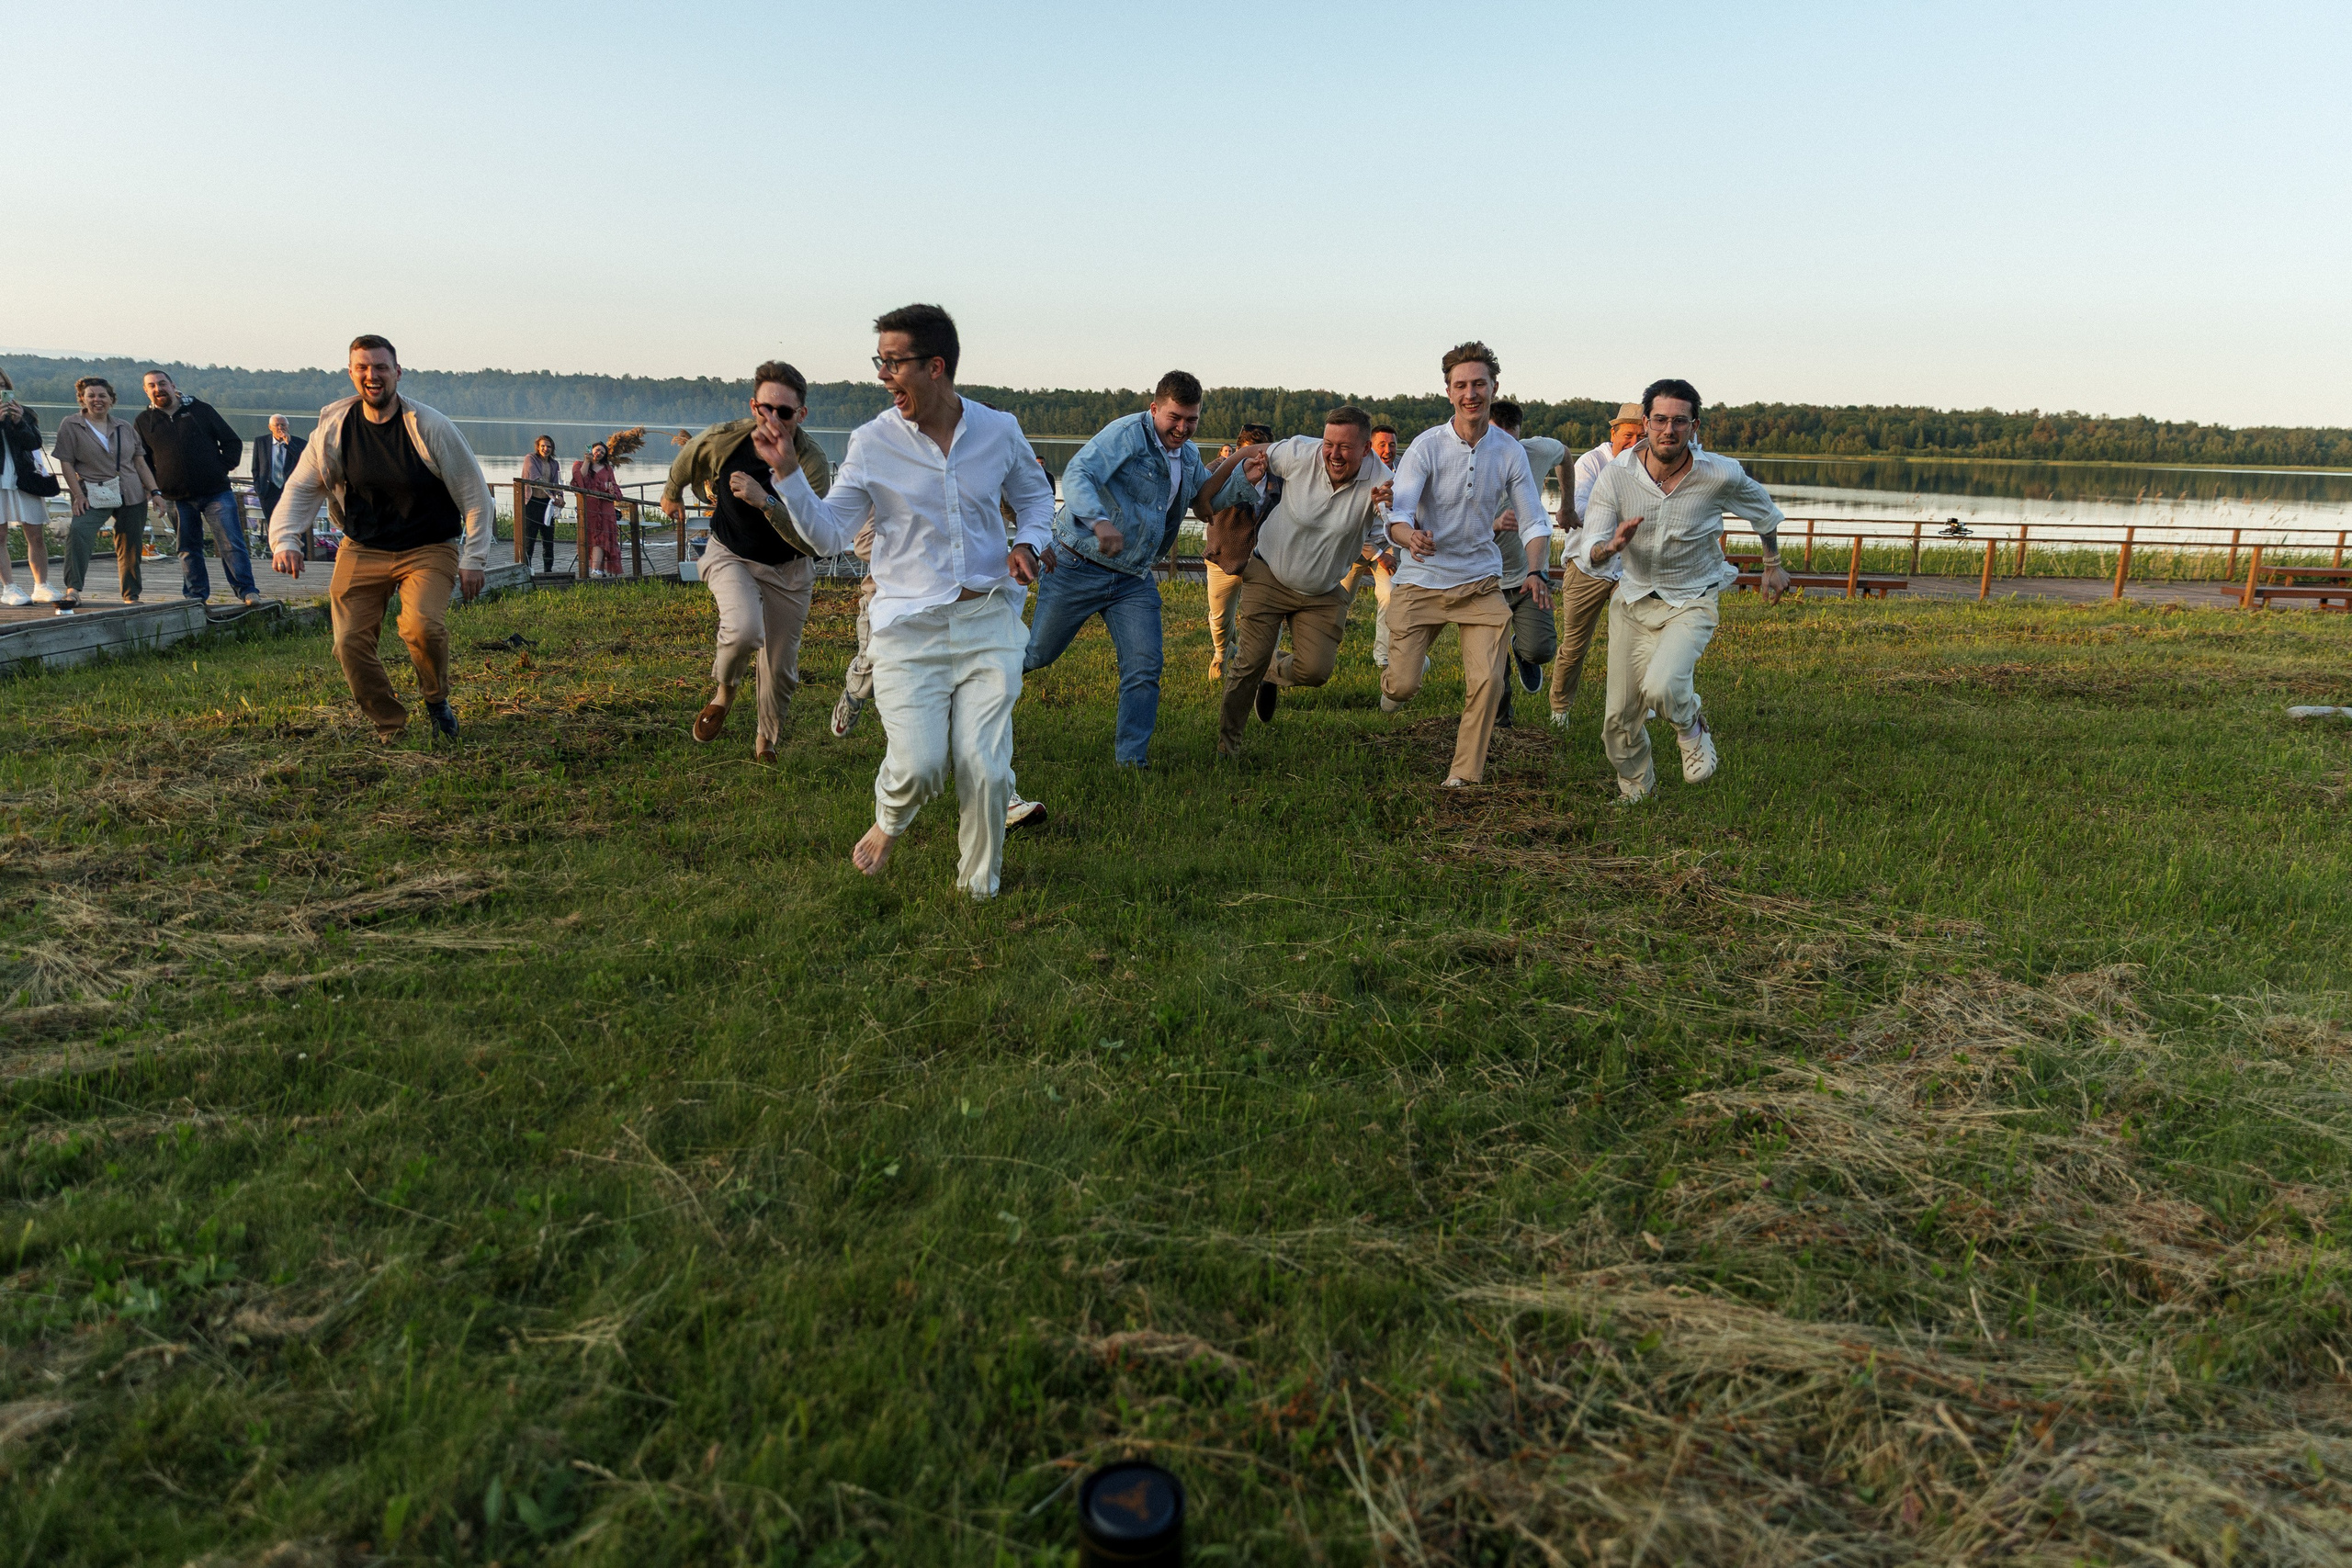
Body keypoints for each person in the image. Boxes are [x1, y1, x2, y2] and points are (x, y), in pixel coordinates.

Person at [759, 303, 1057, 899]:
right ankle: (889, 820)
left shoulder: (999, 431)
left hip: (988, 614)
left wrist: (1028, 541)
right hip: (906, 622)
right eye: (881, 361)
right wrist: (790, 475)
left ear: (936, 367)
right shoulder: (871, 443)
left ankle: (978, 880)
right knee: (919, 763)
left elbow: (1034, 498)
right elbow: (830, 535)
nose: (882, 374)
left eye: (893, 362)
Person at [266, 334, 494, 742]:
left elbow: (475, 495)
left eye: (381, 367)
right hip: (363, 547)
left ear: (397, 373)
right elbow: (302, 488)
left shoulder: (430, 427)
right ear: (352, 373)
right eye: (363, 368)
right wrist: (285, 539)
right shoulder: (334, 431)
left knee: (422, 627)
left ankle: (436, 699)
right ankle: (391, 724)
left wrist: (473, 557)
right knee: (349, 642)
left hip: (429, 546)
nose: (373, 376)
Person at [1021, 371, 1253, 768]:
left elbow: (1202, 498)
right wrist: (1098, 521)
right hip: (1079, 563)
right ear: (1154, 409)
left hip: (1133, 577)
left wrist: (1246, 478)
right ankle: (967, 693)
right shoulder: (1126, 434)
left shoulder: (1191, 454)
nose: (1182, 428)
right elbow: (1078, 474)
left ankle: (1131, 763)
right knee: (1036, 654)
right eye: (1174, 417)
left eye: (1191, 419)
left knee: (1144, 666)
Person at [1583, 378, 1790, 802]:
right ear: (1645, 423)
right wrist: (1612, 546)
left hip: (1692, 598)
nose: (1668, 430)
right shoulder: (1616, 477)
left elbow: (1765, 514)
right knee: (1618, 722)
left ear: (1694, 427)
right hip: (1634, 601)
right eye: (1659, 419)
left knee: (1661, 687)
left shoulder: (1720, 474)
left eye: (1680, 421)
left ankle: (1691, 724)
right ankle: (1637, 788)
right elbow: (1591, 550)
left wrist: (1772, 565)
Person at [1379, 342, 1554, 787]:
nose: (1471, 393)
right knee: (1403, 687)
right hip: (1422, 581)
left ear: (1494, 387)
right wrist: (1408, 535)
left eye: (1479, 384)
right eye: (1462, 385)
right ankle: (1392, 684)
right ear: (1448, 391)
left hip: (1479, 583)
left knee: (1489, 684)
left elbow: (1534, 518)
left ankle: (1464, 777)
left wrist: (1535, 571)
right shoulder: (1426, 447)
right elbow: (1398, 512)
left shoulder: (1509, 452)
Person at [658, 363, 832, 762]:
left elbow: (814, 538)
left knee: (780, 670)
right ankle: (725, 693)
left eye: (784, 413)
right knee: (743, 629)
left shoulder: (811, 464)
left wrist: (766, 501)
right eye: (765, 409)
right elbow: (688, 456)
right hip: (730, 554)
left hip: (789, 570)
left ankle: (764, 742)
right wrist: (672, 492)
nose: (772, 420)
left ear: (800, 415)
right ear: (753, 406)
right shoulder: (725, 441)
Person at [1215, 406, 1392, 757]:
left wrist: (1392, 516)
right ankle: (1227, 744)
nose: (1334, 453)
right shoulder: (1300, 453)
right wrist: (1209, 495)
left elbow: (1396, 521)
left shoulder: (1382, 481)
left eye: (1345, 446)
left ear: (1365, 449)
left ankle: (1272, 671)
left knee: (1316, 671)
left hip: (1322, 590)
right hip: (1269, 573)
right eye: (1329, 443)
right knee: (1248, 661)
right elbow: (1252, 452)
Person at [1548, 401, 1645, 726]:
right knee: (1574, 646)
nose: (1634, 443)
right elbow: (1579, 509)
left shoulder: (1652, 466)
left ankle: (1642, 706)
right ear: (1613, 433)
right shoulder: (1591, 463)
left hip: (1631, 568)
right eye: (1628, 436)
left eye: (1641, 436)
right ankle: (1559, 709)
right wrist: (1626, 515)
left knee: (1641, 639)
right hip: (1588, 567)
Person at [135, 370, 259, 607]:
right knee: (188, 549)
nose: (157, 389)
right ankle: (195, 596)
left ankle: (247, 591)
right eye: (151, 385)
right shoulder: (143, 421)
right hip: (174, 497)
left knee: (231, 544)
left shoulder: (201, 410)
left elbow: (232, 442)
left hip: (216, 492)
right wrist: (154, 490)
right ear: (146, 390)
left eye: (162, 383)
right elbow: (143, 460)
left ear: (173, 385)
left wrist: (220, 468)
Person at [1487, 400, 1566, 726]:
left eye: (1511, 437)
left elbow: (1565, 453)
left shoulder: (1535, 451)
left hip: (1530, 576)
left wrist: (1569, 504)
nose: (1505, 444)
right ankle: (1500, 723)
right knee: (1492, 664)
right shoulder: (1468, 458)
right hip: (1487, 579)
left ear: (1519, 434)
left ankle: (1523, 649)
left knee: (1542, 650)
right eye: (1496, 435)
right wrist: (1492, 525)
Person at [50, 377, 157, 608]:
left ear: (111, 399)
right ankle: (73, 590)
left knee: (131, 543)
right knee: (79, 533)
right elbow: (66, 463)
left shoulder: (124, 427)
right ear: (83, 399)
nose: (97, 400)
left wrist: (155, 491)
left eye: (102, 396)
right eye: (91, 396)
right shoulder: (71, 425)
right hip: (93, 492)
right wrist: (78, 495)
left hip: (131, 492)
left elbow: (140, 463)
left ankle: (131, 595)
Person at [1203, 421, 1272, 680]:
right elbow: (1204, 484)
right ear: (1236, 450)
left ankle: (1264, 672)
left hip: (1265, 562)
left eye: (1260, 452)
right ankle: (1222, 653)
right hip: (1224, 557)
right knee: (1220, 620)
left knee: (1265, 620)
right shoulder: (1219, 469)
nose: (1254, 459)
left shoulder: (1279, 476)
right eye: (1246, 452)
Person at [0, 373, 61, 607]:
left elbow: (35, 443)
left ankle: (41, 586)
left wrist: (18, 422)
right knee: (1, 536)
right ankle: (9, 588)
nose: (2, 389)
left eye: (4, 385)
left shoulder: (24, 412)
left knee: (36, 535)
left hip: (24, 478)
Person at [571, 441, 621, 578]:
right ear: (592, 450)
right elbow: (579, 480)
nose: (599, 453)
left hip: (605, 507)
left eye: (602, 453)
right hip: (589, 506)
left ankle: (596, 570)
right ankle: (596, 569)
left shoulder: (607, 468)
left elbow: (614, 486)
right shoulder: (579, 464)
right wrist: (587, 461)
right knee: (591, 537)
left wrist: (612, 492)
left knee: (603, 537)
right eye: (597, 450)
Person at [252, 415, 306, 537]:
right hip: (268, 491)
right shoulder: (261, 442)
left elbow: (305, 463)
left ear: (288, 426)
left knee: (293, 526)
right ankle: (276, 554)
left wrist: (289, 444)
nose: (280, 427)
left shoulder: (300, 443)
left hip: (291, 491)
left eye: (283, 424)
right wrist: (259, 489)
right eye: (277, 425)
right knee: (273, 528)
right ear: (270, 427)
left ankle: (300, 553)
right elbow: (256, 467)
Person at [518, 434, 562, 573]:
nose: (546, 449)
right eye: (543, 446)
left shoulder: (554, 464)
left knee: (548, 540)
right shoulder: (530, 458)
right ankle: (526, 570)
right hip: (531, 503)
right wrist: (552, 495)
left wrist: (559, 496)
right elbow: (536, 478)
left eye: (549, 446)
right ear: (538, 447)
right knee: (529, 540)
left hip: (547, 505)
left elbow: (557, 483)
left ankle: (548, 570)